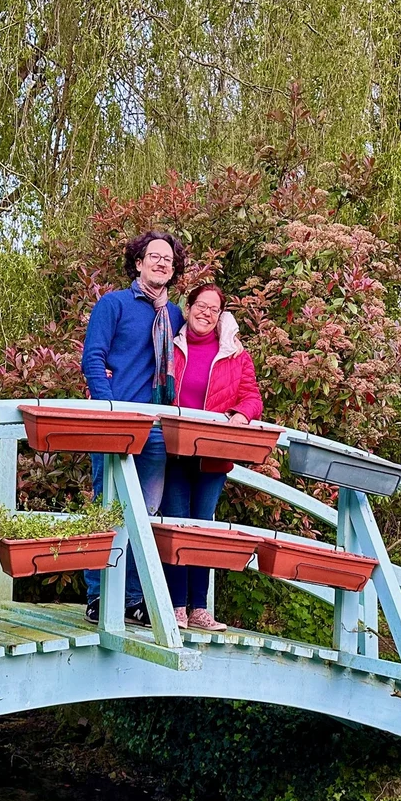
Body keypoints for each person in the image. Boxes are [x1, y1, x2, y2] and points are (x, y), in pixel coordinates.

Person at [80, 230, 187, 624]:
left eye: (169, 260)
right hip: (115, 425)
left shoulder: (173, 315)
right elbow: (93, 358)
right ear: (138, 262)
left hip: (157, 428)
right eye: (154, 256)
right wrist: (111, 408)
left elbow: (211, 329)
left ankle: (133, 600)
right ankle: (97, 596)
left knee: (143, 517)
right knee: (106, 509)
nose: (162, 263)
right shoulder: (114, 305)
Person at [161, 282, 263, 630]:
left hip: (213, 455)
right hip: (174, 451)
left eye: (213, 309)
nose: (205, 313)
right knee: (177, 526)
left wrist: (241, 414)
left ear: (221, 316)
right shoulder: (170, 346)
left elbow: (252, 397)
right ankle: (175, 606)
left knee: (203, 527)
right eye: (200, 306)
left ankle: (199, 609)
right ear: (187, 308)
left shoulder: (235, 353)